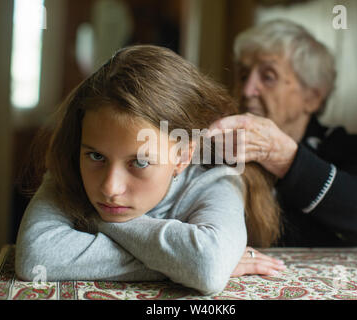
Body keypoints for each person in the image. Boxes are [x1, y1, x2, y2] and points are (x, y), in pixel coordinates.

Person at [15, 45, 285, 295]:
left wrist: (94, 219)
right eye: (97, 156)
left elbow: (207, 268)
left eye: (140, 162)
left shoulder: (217, 179)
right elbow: (35, 257)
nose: (110, 188)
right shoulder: (71, 167)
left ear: (182, 156)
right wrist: (178, 265)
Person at [207, 19, 357, 255]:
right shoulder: (219, 141)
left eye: (268, 76)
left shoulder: (340, 145)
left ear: (312, 98)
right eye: (243, 75)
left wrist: (282, 157)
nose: (247, 90)